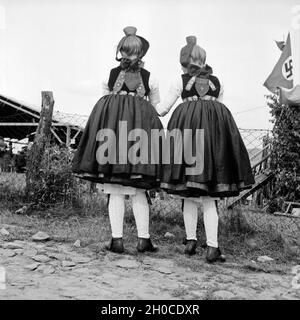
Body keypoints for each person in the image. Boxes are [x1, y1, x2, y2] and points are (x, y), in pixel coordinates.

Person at [156, 36, 255, 263]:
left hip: (186, 135)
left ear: (184, 62)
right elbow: (217, 106)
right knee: (210, 196)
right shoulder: (218, 82)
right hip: (213, 140)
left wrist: (145, 106)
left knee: (189, 193)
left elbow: (162, 109)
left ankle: (191, 242)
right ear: (204, 59)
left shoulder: (179, 81)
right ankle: (212, 247)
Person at [72, 26, 163, 254]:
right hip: (140, 137)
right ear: (141, 53)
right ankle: (144, 240)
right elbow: (157, 108)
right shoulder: (151, 79)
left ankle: (117, 240)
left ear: (120, 51)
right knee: (140, 188)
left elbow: (105, 106)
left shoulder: (108, 76)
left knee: (115, 188)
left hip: (111, 137)